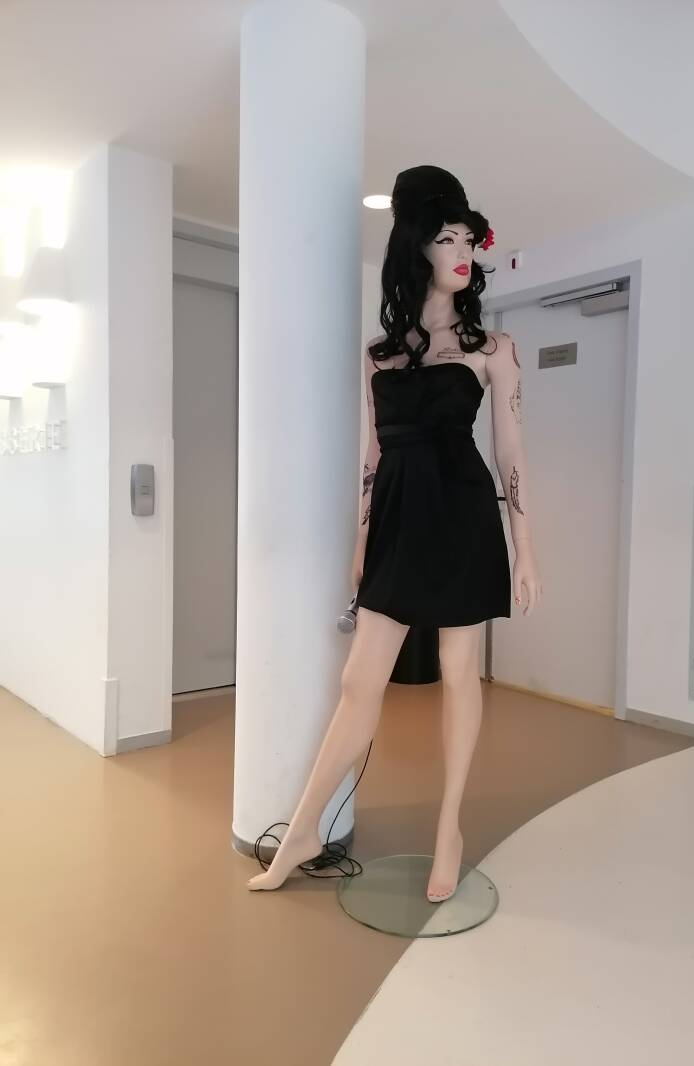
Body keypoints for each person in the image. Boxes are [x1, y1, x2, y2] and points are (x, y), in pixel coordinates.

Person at [247, 165, 543, 901]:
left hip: (464, 514)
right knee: (359, 681)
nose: (461, 252)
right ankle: (304, 829)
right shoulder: (380, 353)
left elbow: (511, 454)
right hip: (400, 519)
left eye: (467, 239)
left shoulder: (494, 347)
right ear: (417, 249)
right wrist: (360, 541)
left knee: (458, 672)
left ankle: (449, 830)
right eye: (446, 239)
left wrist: (525, 549)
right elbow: (373, 457)